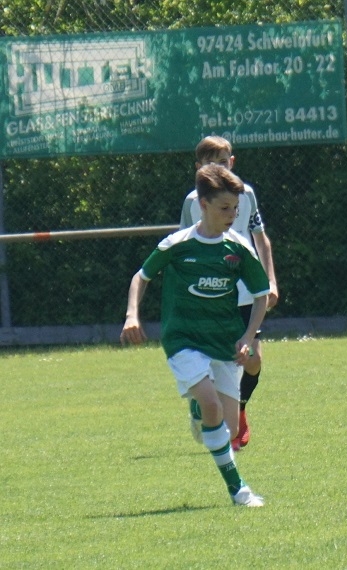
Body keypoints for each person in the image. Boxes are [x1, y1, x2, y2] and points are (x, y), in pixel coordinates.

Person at [121, 164, 271, 507]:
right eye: (224, 208)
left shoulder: (238, 248)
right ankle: (238, 490)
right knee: (211, 404)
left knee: (230, 429)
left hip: (223, 341)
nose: (232, 215)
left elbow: (261, 295)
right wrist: (132, 315)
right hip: (183, 339)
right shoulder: (178, 245)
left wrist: (247, 336)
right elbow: (141, 277)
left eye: (236, 208)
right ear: (203, 205)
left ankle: (196, 406)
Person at [180, 136, 279, 451]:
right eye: (211, 163)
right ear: (199, 168)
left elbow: (261, 239)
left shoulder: (245, 194)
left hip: (245, 293)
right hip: (209, 294)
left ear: (232, 163)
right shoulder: (192, 202)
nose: (218, 169)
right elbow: (183, 247)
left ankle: (240, 408)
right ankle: (206, 408)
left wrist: (270, 281)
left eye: (223, 162)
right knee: (212, 359)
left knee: (252, 360)